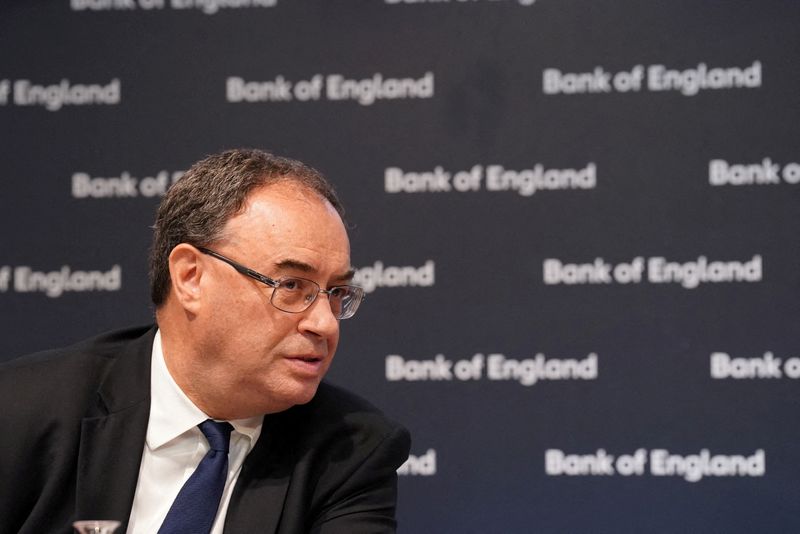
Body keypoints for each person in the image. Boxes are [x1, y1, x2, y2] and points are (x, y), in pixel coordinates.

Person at [0, 148, 411, 534]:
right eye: (291, 285)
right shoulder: (23, 412)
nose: (325, 323)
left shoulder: (351, 451)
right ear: (190, 278)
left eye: (337, 292)